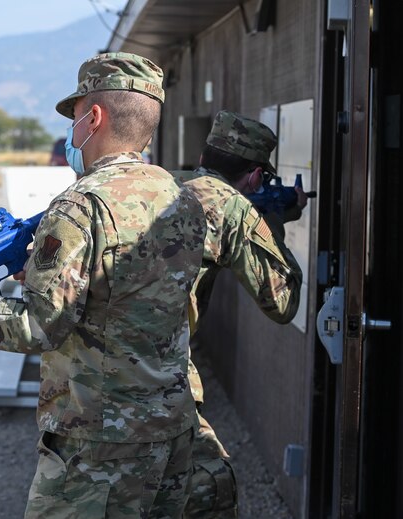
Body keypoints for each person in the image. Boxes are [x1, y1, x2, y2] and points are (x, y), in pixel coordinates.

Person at [0, 52, 206, 518]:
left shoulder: (80, 206)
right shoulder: (180, 196)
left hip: (101, 443)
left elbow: (38, 327)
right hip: (173, 427)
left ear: (93, 117)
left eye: (75, 116)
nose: (71, 131)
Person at [171, 111, 306, 518]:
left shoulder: (165, 184)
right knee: (211, 494)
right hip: (161, 381)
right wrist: (271, 224)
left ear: (202, 155)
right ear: (254, 177)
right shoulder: (233, 208)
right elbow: (283, 302)